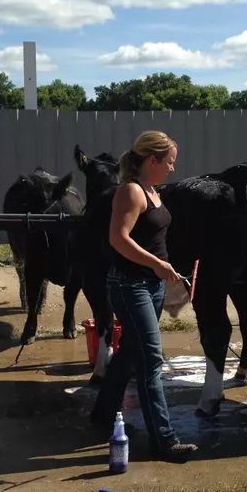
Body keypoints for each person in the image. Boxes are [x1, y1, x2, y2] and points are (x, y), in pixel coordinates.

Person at [88, 130, 198, 463]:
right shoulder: (131, 192)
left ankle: (103, 414)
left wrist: (166, 269)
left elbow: (151, 236)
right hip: (129, 285)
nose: (172, 169)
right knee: (151, 360)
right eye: (169, 162)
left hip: (151, 285)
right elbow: (118, 239)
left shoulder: (153, 191)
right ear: (152, 160)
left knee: (131, 353)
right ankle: (164, 441)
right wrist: (158, 264)